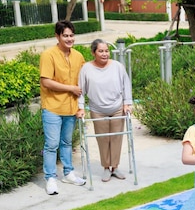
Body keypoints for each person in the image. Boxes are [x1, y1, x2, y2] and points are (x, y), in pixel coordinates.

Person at [39, 20, 86, 195]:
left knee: (66, 143)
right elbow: (46, 81)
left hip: (71, 108)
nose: (69, 39)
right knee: (51, 145)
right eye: (65, 35)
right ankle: (50, 178)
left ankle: (68, 173)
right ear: (57, 36)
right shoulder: (48, 55)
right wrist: (70, 88)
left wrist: (82, 106)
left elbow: (82, 83)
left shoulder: (78, 56)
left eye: (71, 35)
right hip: (52, 107)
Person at [78, 39, 133, 182]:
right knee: (103, 139)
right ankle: (106, 167)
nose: (104, 54)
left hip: (116, 107)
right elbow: (81, 89)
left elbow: (126, 84)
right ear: (93, 52)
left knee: (116, 137)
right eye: (101, 51)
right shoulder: (86, 68)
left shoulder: (117, 66)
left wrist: (127, 103)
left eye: (106, 51)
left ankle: (115, 167)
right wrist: (81, 108)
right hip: (98, 109)